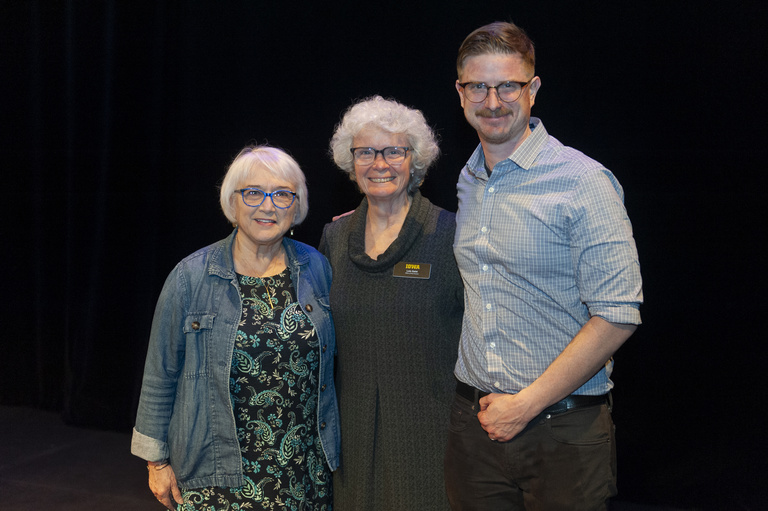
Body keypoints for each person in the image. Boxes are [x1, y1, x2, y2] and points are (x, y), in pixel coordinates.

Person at [444, 21, 644, 510]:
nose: (493, 101)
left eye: (507, 85)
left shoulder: (583, 181)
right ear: (460, 93)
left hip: (562, 429)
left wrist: (526, 404)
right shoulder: (468, 180)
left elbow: (618, 313)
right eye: (478, 87)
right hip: (474, 427)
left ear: (532, 89)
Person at [131, 145, 340, 510]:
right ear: (233, 203)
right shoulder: (190, 277)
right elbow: (160, 373)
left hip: (303, 471)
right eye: (254, 193)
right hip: (216, 473)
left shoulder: (317, 268)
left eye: (282, 194)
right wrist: (157, 462)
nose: (268, 205)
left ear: (297, 206)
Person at [319, 95, 463, 510]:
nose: (379, 163)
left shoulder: (450, 235)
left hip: (429, 433)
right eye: (365, 151)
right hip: (352, 431)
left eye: (393, 151)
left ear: (414, 161)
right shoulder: (334, 238)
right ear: (351, 162)